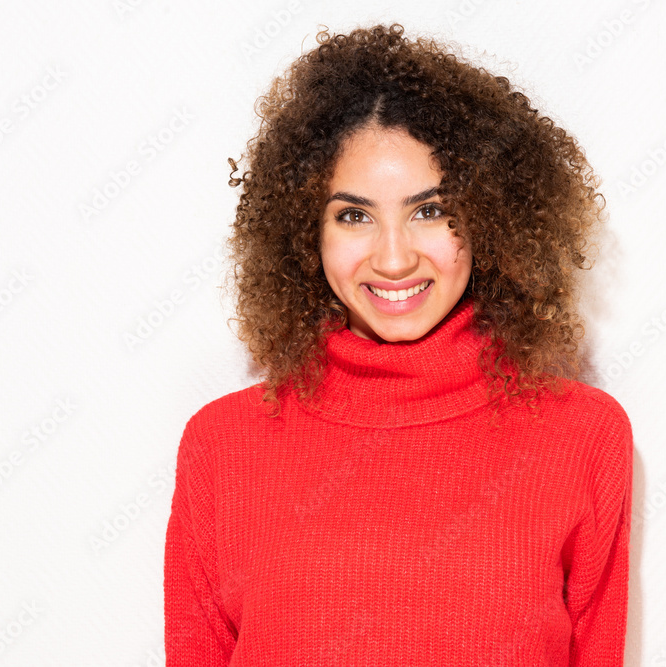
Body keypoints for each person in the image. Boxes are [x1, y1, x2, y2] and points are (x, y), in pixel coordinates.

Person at [164, 23, 633, 666]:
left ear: (490, 217)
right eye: (354, 215)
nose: (393, 258)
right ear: (306, 233)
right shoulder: (221, 447)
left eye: (430, 211)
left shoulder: (582, 434)